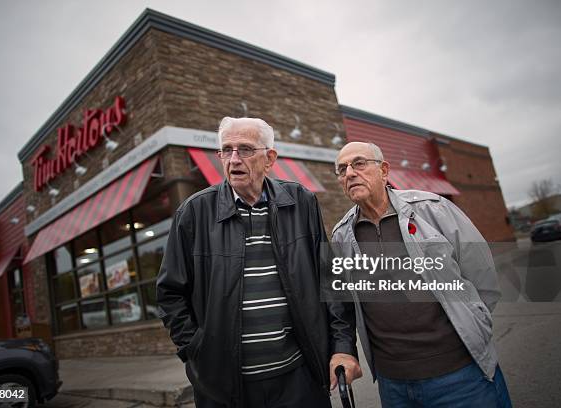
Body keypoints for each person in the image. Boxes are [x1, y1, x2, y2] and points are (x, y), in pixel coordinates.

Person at [156, 117, 360, 408]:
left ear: (270, 158)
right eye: (227, 150)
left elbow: (330, 281)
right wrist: (197, 349)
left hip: (299, 380)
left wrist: (343, 348)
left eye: (246, 149)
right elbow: (170, 294)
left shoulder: (300, 202)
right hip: (226, 389)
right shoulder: (194, 213)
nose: (234, 159)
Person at [330, 141, 513, 407]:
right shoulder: (341, 235)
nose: (349, 173)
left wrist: (475, 324)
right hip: (393, 386)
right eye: (341, 169)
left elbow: (481, 274)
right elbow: (343, 303)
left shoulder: (433, 209)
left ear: (384, 170)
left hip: (461, 376)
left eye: (358, 163)